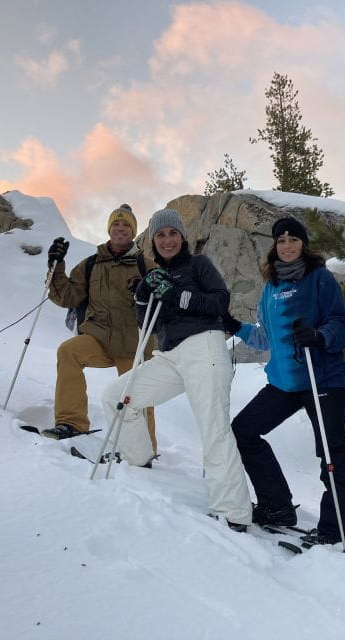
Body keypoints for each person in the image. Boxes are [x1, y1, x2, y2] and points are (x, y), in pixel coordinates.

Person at [100, 208, 252, 530]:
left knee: (213, 428)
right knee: (117, 396)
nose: (167, 240)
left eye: (172, 233)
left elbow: (219, 302)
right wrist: (144, 296)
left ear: (182, 237)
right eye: (160, 235)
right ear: (153, 242)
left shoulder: (199, 265)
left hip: (204, 348)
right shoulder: (155, 276)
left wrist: (177, 295)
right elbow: (147, 327)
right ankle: (138, 459)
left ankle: (233, 512)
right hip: (169, 355)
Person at [224, 217, 345, 546]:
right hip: (284, 382)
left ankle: (335, 529)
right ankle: (277, 507)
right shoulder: (271, 288)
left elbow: (341, 324)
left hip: (321, 378)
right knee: (244, 431)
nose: (286, 246)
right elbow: (265, 339)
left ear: (303, 244)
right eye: (280, 240)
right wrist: (233, 325)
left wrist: (319, 335)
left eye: (292, 240)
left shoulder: (319, 279)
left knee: (331, 452)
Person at [42, 204, 156, 451]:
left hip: (134, 344)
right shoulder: (91, 264)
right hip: (99, 338)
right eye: (116, 223)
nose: (121, 228)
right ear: (109, 228)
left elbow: (162, 300)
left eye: (126, 225)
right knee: (68, 351)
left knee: (136, 396)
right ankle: (71, 423)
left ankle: (144, 450)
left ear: (133, 231)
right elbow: (68, 297)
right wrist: (56, 265)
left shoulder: (145, 266)